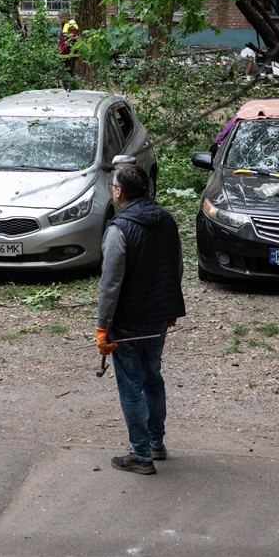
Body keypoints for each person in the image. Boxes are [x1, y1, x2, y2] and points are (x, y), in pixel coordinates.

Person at [95, 163, 186, 475]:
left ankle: (140, 454)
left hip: (128, 324)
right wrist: (170, 310)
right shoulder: (166, 220)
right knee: (152, 379)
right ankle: (156, 444)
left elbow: (110, 284)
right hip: (158, 319)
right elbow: (176, 267)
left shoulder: (118, 229)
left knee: (132, 385)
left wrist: (102, 326)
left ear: (119, 192)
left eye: (113, 186)